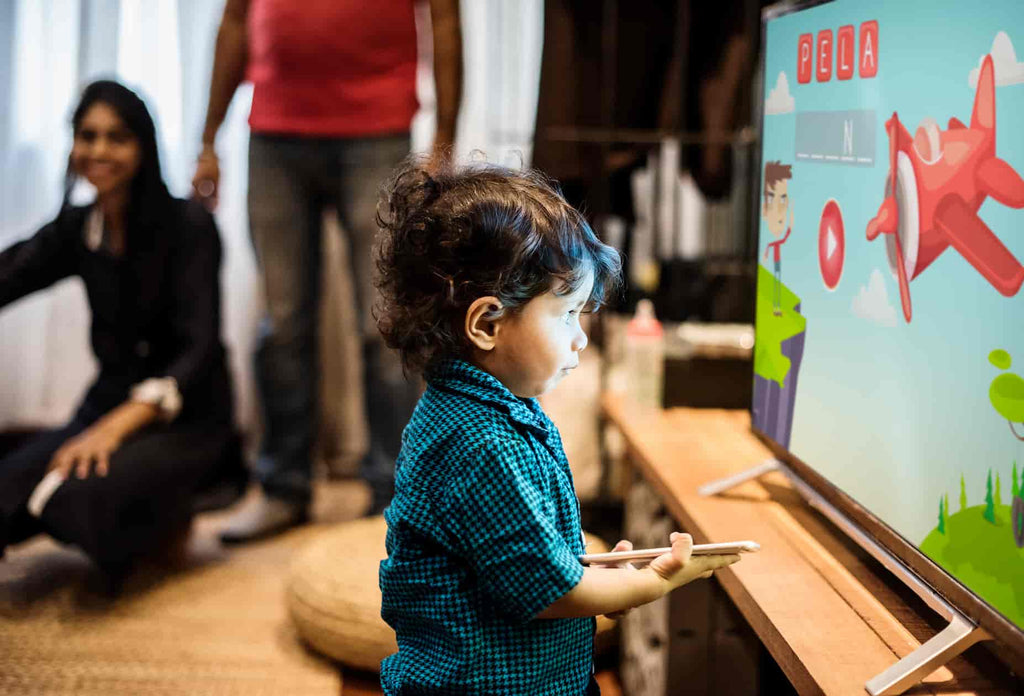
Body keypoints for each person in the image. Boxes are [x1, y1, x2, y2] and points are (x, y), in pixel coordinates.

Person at [374, 160, 742, 694]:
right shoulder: (484, 443)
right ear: (487, 324)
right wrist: (648, 583)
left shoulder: (476, 408)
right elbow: (547, 591)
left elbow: (513, 552)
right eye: (567, 314)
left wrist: (601, 577)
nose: (580, 338)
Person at [193, 0, 463, 542]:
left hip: (378, 130)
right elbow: (234, 20)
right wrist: (208, 139)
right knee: (283, 322)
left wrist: (444, 142)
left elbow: (445, 16)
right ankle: (281, 487)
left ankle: (397, 497)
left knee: (385, 322)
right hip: (273, 132)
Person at [0, 80, 243, 587]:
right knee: (8, 488)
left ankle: (175, 511)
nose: (99, 151)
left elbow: (198, 350)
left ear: (143, 146)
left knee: (78, 500)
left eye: (117, 137)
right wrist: (102, 424)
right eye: (87, 136)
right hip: (108, 401)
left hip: (186, 417)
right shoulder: (77, 226)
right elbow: (12, 272)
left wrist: (113, 430)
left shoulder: (189, 225)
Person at [762, 160, 793, 316]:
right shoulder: (772, 242)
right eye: (772, 197)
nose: (779, 208)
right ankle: (776, 307)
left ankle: (777, 307)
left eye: (783, 199)